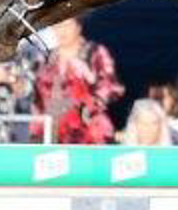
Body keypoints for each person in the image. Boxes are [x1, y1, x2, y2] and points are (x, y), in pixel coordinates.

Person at [34, 17, 122, 145]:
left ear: (79, 26)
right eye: (57, 26)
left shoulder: (94, 52)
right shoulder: (46, 57)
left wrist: (87, 102)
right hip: (51, 132)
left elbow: (112, 87)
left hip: (90, 132)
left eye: (67, 25)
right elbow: (36, 96)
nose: (62, 31)